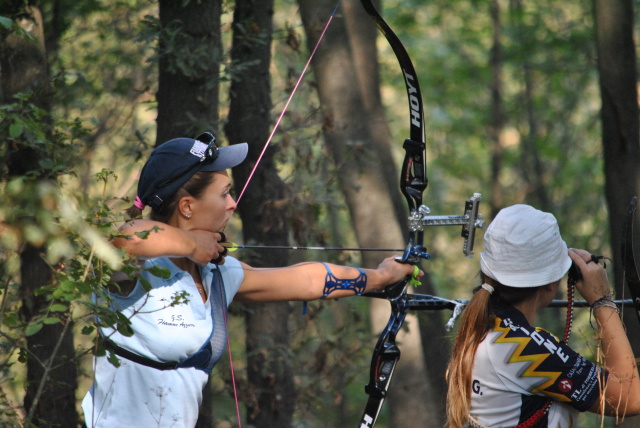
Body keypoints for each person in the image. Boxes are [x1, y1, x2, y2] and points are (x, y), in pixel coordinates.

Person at [81, 132, 419, 428]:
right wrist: (192, 243)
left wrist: (380, 276)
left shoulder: (214, 274)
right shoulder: (136, 269)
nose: (232, 203)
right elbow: (126, 235)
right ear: (187, 206)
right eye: (224, 193)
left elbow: (304, 280)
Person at [446, 204, 640, 428]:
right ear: (550, 284)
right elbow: (631, 398)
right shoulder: (525, 349)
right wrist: (602, 301)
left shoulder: (484, 329)